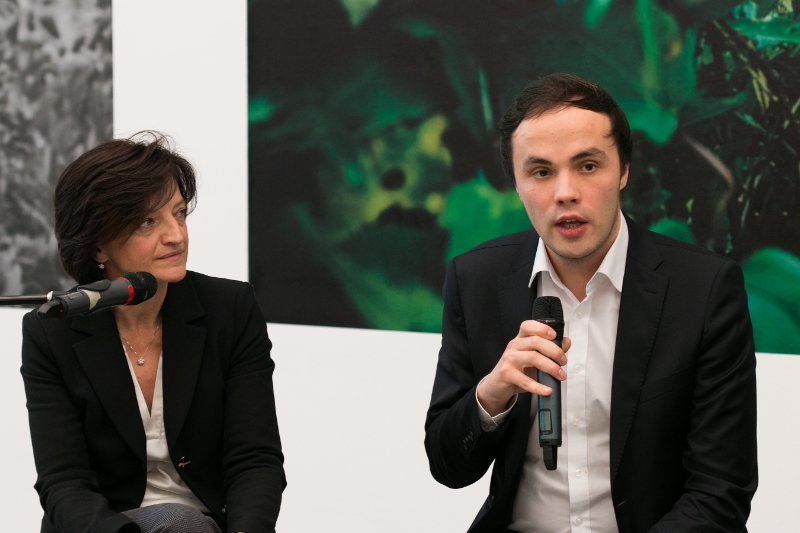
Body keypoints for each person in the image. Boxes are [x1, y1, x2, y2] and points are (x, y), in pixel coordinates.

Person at [424, 74, 757, 532]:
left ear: (623, 170)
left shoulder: (703, 289)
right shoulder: (475, 279)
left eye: (587, 165)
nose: (565, 192)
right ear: (516, 184)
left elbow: (721, 492)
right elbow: (448, 466)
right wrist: (491, 394)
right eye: (541, 172)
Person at [21, 133, 285, 533]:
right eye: (148, 222)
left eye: (179, 214)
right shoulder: (52, 331)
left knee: (185, 522)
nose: (176, 235)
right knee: (179, 521)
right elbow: (64, 483)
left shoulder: (230, 309)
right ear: (98, 246)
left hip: (209, 527)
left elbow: (255, 460)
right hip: (104, 528)